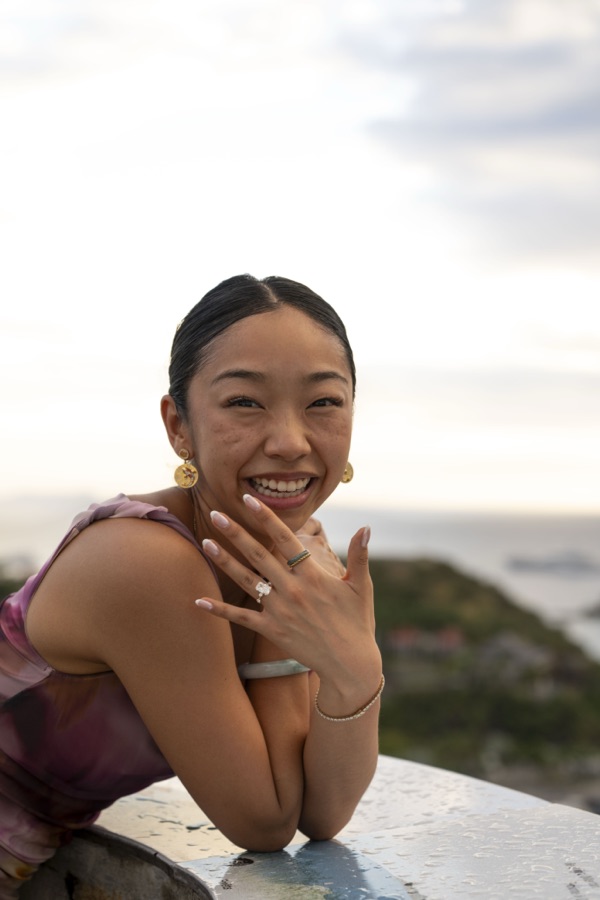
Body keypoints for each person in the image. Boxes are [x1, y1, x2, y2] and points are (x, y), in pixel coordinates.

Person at [0, 274, 383, 897]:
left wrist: (354, 673)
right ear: (179, 425)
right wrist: (323, 643)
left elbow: (321, 813)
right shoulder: (145, 561)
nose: (290, 442)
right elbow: (265, 821)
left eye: (323, 403)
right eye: (244, 402)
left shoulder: (290, 549)